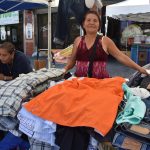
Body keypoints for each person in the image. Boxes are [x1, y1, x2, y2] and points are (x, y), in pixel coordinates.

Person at [64, 10, 149, 78]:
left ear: (99, 25)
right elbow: (72, 61)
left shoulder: (105, 41)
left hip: (101, 84)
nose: (92, 23)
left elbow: (121, 57)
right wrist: (64, 70)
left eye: (95, 21)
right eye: (88, 20)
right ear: (83, 24)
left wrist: (141, 69)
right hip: (80, 83)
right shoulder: (78, 40)